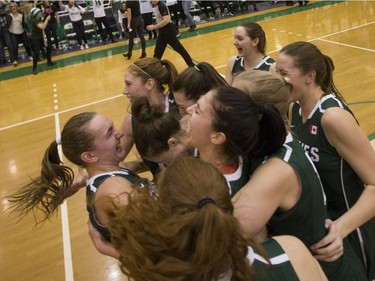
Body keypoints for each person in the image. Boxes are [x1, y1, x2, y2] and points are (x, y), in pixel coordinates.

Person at [185, 86, 367, 280]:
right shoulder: (260, 142)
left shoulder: (275, 171)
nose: (188, 110)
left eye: (197, 109)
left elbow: (214, 240)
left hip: (327, 270)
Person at [92, 156, 328, 281]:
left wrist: (118, 252)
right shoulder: (290, 250)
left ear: (165, 214)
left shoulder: (164, 272)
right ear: (227, 199)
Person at [276, 41, 375, 280]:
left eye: (284, 74)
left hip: (351, 227)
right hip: (322, 224)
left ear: (310, 76)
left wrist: (341, 228)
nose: (277, 79)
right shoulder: (293, 109)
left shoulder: (332, 117)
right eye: (276, 72)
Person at [8, 112, 153, 255]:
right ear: (89, 156)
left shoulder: (106, 174)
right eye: (110, 133)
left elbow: (141, 165)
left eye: (113, 127)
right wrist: (107, 250)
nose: (120, 133)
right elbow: (154, 250)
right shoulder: (115, 193)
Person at [120, 57, 179, 176]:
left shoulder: (180, 109)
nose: (124, 91)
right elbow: (110, 160)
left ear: (149, 84)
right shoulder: (131, 120)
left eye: (128, 84)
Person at [147, 0, 195, 67]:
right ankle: (154, 69)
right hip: (162, 31)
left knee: (179, 49)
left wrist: (154, 27)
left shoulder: (161, 6)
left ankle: (192, 65)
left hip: (168, 31)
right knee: (157, 52)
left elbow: (166, 20)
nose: (150, 1)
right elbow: (160, 19)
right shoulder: (156, 5)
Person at [28, 7, 55, 75]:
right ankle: (34, 68)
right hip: (34, 39)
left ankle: (49, 62)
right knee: (36, 53)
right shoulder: (34, 20)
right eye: (39, 12)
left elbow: (42, 30)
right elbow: (42, 27)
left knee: (48, 47)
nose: (40, 13)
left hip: (40, 37)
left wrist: (44, 38)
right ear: (36, 14)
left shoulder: (39, 18)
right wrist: (47, 19)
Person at [8, 2, 33, 66]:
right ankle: (15, 60)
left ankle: (30, 55)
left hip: (22, 31)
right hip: (13, 32)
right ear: (10, 8)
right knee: (15, 46)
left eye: (15, 6)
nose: (13, 8)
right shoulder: (8, 16)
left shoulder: (21, 14)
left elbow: (25, 23)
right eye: (12, 7)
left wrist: (27, 30)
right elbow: (6, 24)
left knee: (27, 44)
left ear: (17, 7)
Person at [0, 0, 15, 65]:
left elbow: (5, 3)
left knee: (9, 43)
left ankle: (12, 58)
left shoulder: (1, 7)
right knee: (0, 46)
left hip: (4, 28)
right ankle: (2, 59)